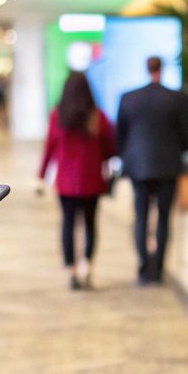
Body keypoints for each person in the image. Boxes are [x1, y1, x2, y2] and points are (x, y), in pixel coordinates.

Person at [115, 56, 188, 285]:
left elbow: (120, 135)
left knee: (141, 217)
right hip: (168, 166)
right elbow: (185, 137)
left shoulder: (129, 98)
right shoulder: (177, 99)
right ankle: (157, 269)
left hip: (139, 166)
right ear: (162, 69)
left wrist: (128, 156)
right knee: (163, 218)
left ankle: (143, 267)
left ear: (146, 69)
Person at [38, 71, 117, 290]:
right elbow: (111, 147)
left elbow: (49, 147)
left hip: (66, 183)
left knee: (68, 223)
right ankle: (86, 266)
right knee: (90, 224)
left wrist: (41, 175)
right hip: (92, 181)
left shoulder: (57, 116)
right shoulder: (97, 117)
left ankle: (71, 270)